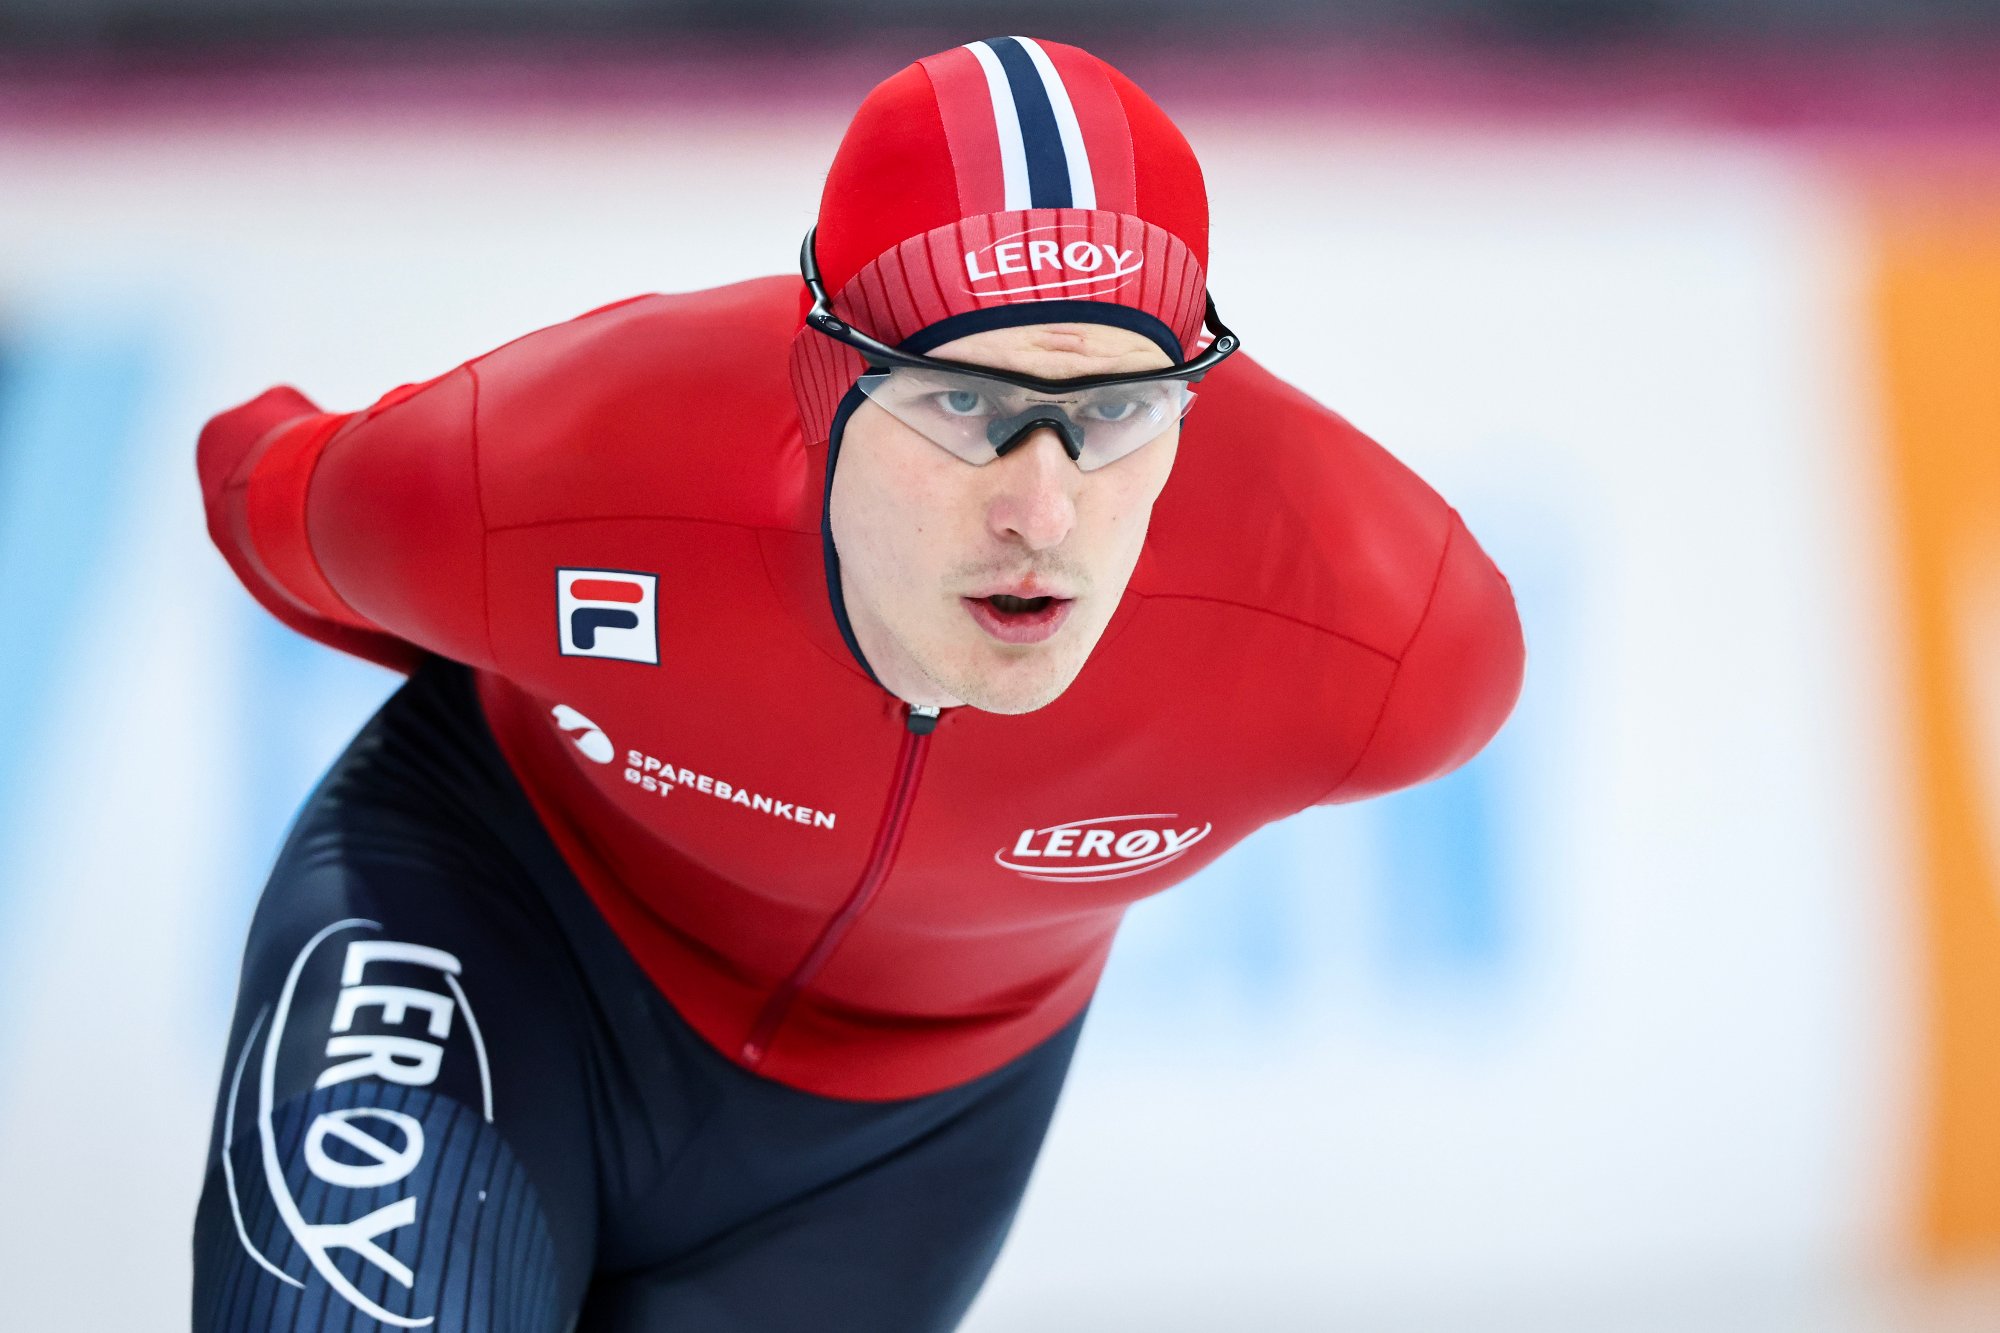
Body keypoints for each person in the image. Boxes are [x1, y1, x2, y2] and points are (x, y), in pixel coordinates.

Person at [191, 35, 1524, 1333]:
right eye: (962, 404)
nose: (1044, 507)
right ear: (826, 382)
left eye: (1119, 409)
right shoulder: (557, 470)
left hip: (890, 1154)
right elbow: (259, 490)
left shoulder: (1383, 630)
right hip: (503, 931)